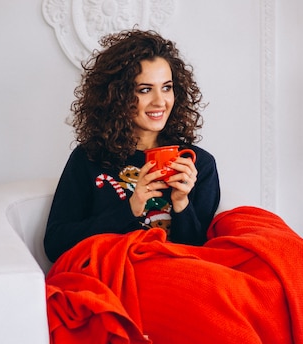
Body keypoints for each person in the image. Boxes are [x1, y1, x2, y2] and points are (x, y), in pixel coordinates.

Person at [44, 29, 220, 262]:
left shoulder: (199, 165)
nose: (160, 101)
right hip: (112, 279)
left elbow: (201, 256)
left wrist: (181, 204)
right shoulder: (89, 158)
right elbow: (56, 244)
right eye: (144, 90)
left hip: (175, 281)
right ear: (117, 96)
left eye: (166, 87)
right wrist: (130, 209)